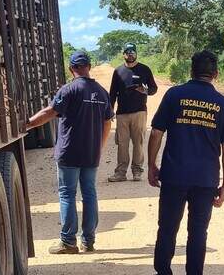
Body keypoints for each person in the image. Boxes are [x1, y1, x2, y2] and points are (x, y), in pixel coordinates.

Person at [148, 50, 224, 275]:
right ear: (216, 73)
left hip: (174, 176)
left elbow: (156, 132)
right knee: (197, 234)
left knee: (166, 231)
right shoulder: (223, 104)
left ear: (191, 71)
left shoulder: (174, 95)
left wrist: (152, 165)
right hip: (205, 180)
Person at [27, 51, 113, 254]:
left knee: (67, 194)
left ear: (71, 68)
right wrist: (99, 146)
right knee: (90, 194)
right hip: (91, 153)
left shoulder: (69, 90)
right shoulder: (102, 93)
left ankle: (68, 242)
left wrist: (27, 124)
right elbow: (107, 122)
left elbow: (50, 112)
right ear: (89, 67)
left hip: (69, 153)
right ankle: (88, 241)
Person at [108, 43, 157, 182]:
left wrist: (145, 90)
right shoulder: (118, 71)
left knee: (138, 143)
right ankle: (120, 173)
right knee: (122, 144)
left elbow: (154, 89)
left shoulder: (144, 69)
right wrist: (110, 109)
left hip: (139, 112)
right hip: (122, 113)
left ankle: (137, 172)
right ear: (123, 54)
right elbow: (112, 93)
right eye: (128, 52)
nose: (130, 54)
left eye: (133, 52)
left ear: (136, 53)